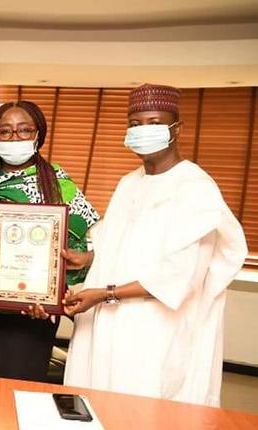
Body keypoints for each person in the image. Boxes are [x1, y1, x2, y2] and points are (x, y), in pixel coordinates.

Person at [62, 84, 247, 406]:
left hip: (153, 331)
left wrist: (104, 294)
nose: (142, 131)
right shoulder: (129, 182)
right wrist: (88, 258)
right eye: (135, 124)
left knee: (141, 411)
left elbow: (178, 277)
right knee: (96, 406)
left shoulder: (195, 188)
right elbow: (122, 246)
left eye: (153, 122)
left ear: (177, 128)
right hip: (106, 325)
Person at [0, 100, 99, 381]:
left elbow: (88, 247)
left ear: (38, 134)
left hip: (31, 318)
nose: (14, 138)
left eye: (24, 130)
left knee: (19, 400)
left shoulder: (59, 184)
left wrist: (54, 292)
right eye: (5, 132)